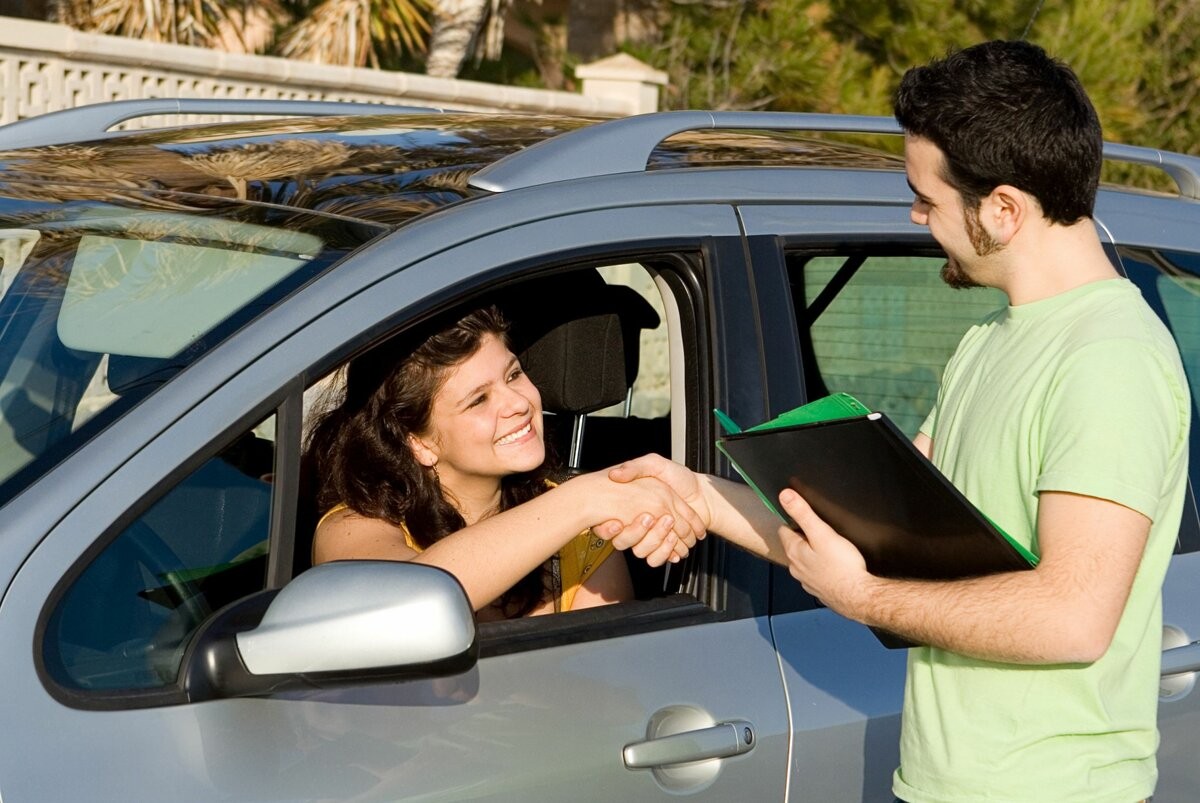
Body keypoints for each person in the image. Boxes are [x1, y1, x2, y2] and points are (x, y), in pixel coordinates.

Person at [607, 40, 1190, 803]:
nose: (916, 216)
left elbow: (1073, 617)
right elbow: (872, 538)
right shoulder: (989, 341)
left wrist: (865, 600)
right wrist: (697, 495)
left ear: (1003, 209)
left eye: (927, 198)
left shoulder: (1110, 357)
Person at [303, 304, 702, 621]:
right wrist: (583, 499)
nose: (518, 403)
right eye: (478, 400)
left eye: (513, 375)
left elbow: (603, 675)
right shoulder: (356, 526)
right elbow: (404, 605)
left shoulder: (587, 535)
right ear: (418, 442)